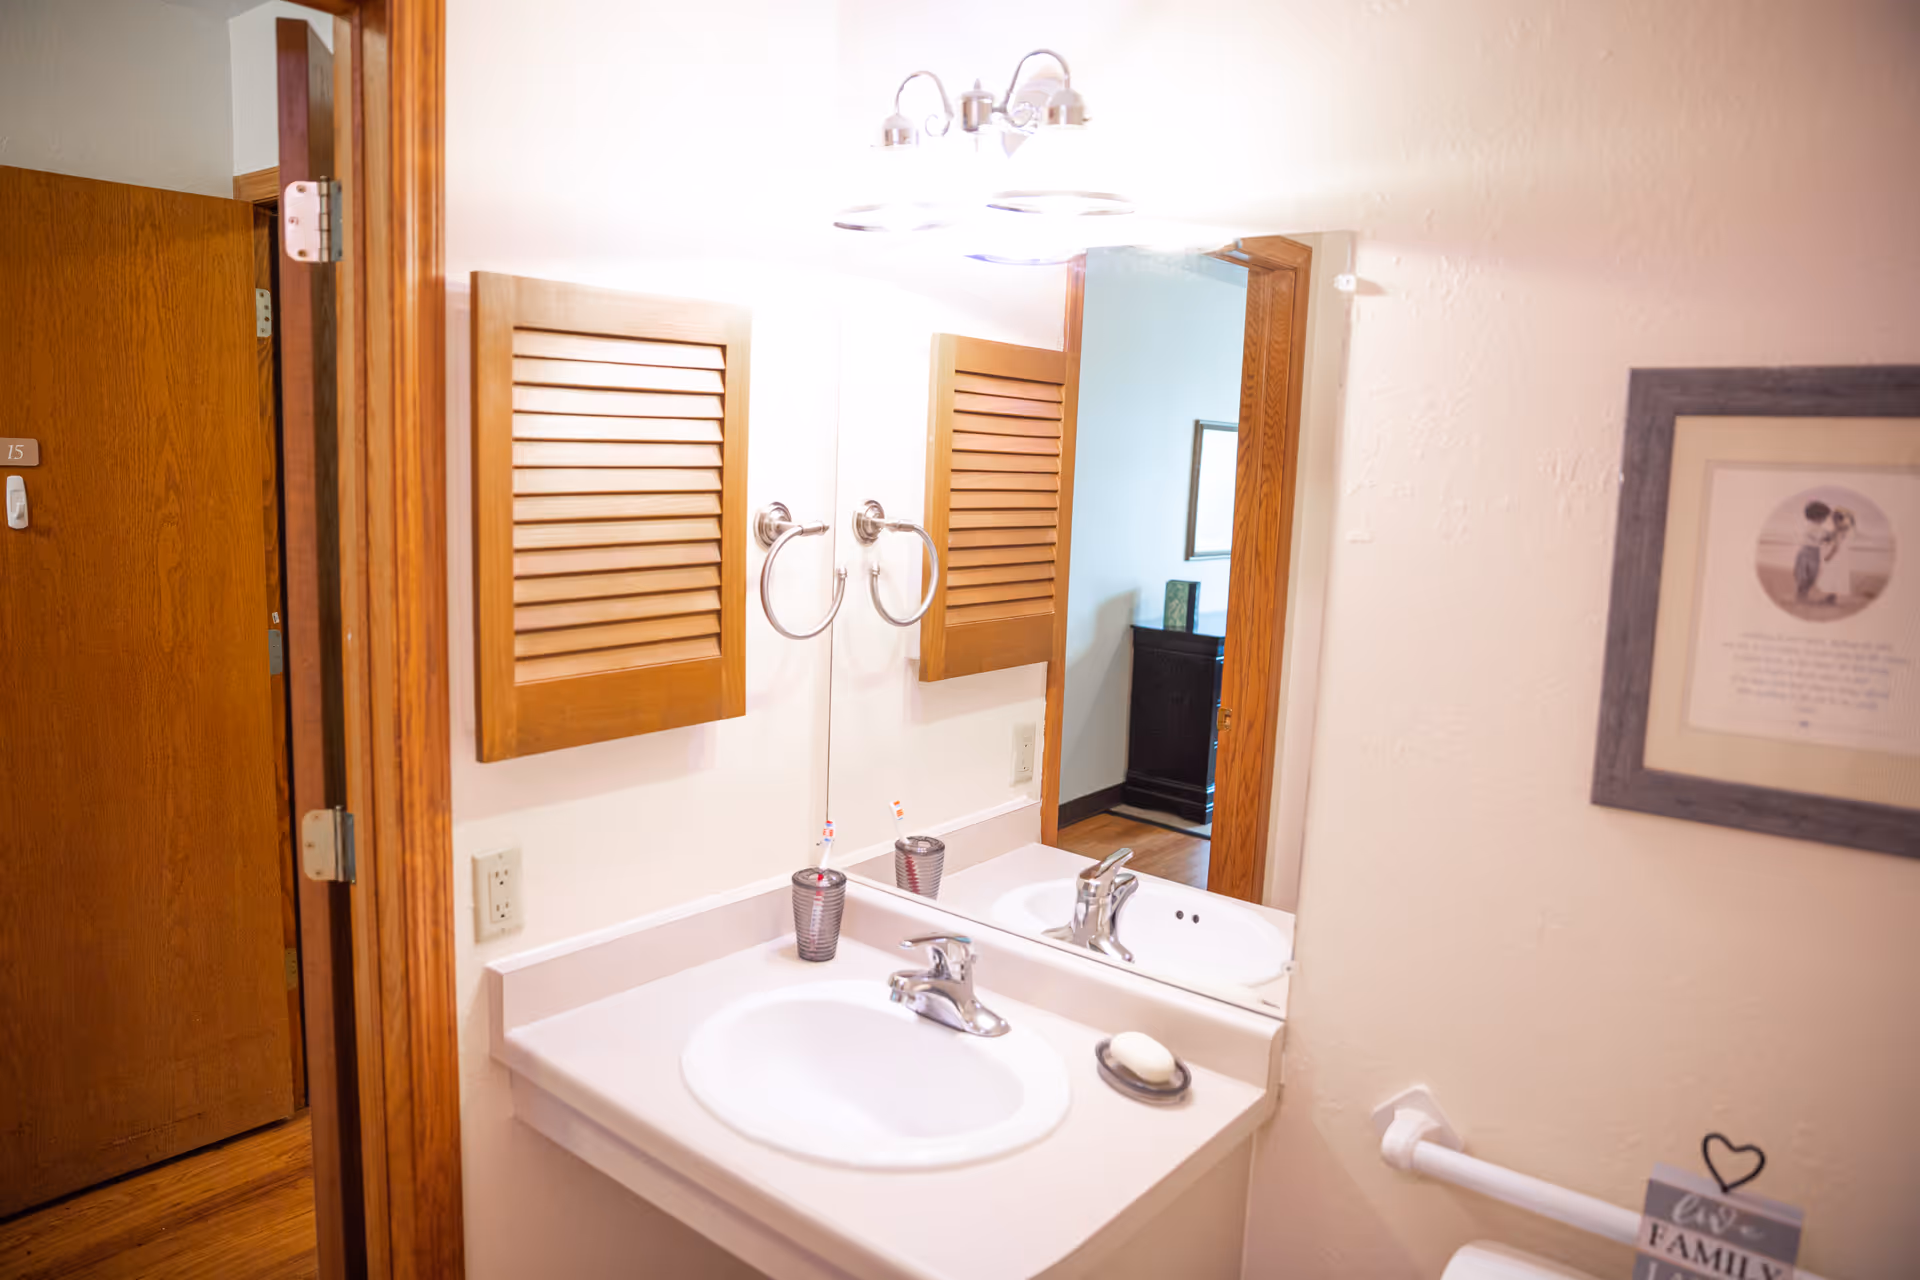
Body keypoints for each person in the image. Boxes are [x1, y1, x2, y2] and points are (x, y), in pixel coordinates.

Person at [1794, 500, 1833, 601]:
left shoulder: (1818, 528)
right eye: (1824, 517)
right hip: (1806, 552)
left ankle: (1803, 594)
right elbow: (1824, 537)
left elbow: (1826, 536)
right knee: (1804, 575)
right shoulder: (1810, 527)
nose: (1825, 519)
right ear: (1817, 516)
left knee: (1812, 575)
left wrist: (1831, 536)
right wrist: (1831, 536)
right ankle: (1801, 595)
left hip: (1814, 552)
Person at [1815, 507, 1855, 604]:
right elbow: (1831, 538)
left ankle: (1831, 598)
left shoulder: (1840, 529)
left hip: (1837, 555)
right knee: (1836, 575)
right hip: (1843, 556)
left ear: (1838, 519)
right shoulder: (1844, 528)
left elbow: (1836, 546)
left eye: (1834, 519)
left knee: (1833, 575)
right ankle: (1831, 598)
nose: (1833, 521)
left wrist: (1829, 556)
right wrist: (1826, 539)